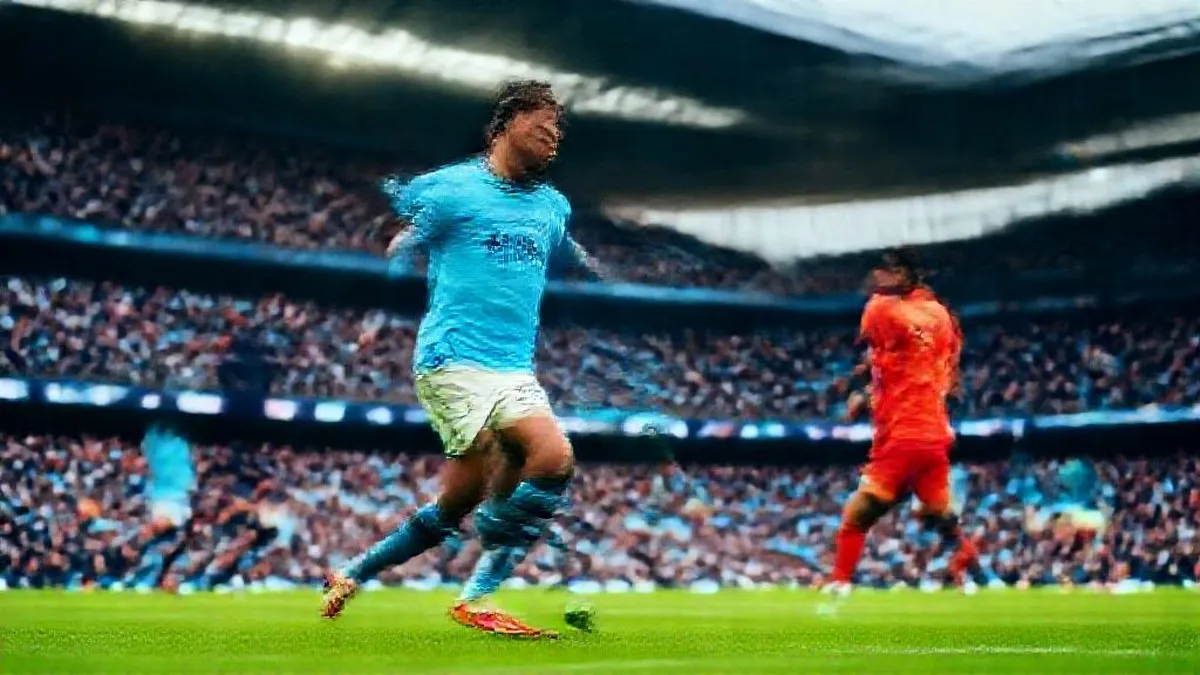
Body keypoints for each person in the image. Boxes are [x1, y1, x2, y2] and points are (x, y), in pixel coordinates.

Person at [321, 80, 604, 637]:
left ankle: (354, 573)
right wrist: (384, 299)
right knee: (537, 451)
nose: (553, 139)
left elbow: (565, 250)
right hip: (452, 360)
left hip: (514, 367)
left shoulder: (553, 206)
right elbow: (406, 239)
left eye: (559, 133)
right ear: (505, 125)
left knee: (461, 505)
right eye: (543, 125)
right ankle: (480, 592)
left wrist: (597, 270)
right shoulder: (451, 190)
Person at [828, 248, 978, 595]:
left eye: (885, 271)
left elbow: (880, 347)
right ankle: (975, 572)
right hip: (936, 434)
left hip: (903, 438)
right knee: (939, 517)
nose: (877, 279)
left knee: (856, 517)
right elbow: (912, 366)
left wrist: (862, 391)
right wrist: (868, 391)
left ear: (904, 274)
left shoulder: (881, 308)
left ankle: (838, 584)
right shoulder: (940, 317)